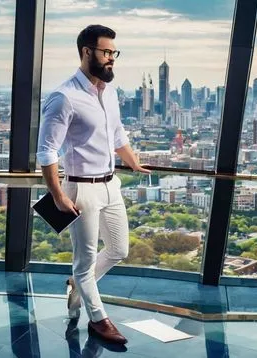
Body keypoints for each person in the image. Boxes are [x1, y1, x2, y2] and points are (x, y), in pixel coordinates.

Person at [36, 24, 150, 345]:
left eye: (114, 52)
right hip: (80, 188)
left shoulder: (109, 92)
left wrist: (133, 162)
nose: (111, 58)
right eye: (106, 52)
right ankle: (99, 320)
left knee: (119, 249)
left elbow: (117, 136)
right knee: (84, 260)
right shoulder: (64, 97)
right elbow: (46, 151)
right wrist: (57, 195)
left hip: (110, 185)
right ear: (87, 52)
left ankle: (77, 284)